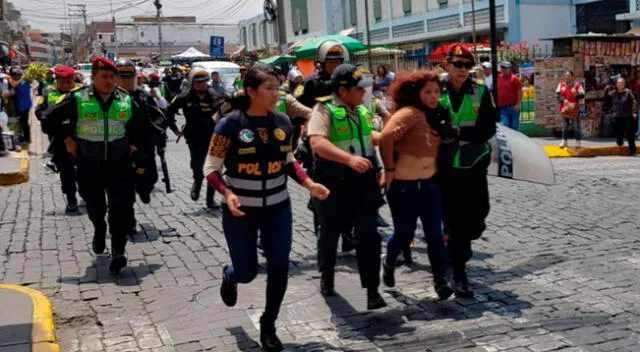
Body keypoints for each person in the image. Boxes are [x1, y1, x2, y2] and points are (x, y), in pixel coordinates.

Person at [204, 64, 329, 352]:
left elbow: (287, 163)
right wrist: (227, 193)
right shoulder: (230, 124)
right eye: (269, 88)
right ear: (251, 91)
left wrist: (309, 184)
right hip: (241, 212)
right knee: (247, 272)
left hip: (277, 208)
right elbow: (211, 168)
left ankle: (269, 323)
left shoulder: (283, 122)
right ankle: (231, 275)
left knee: (280, 267)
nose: (276, 94)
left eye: (278, 87)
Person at [43, 56, 147, 274]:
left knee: (120, 208)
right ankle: (99, 229)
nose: (109, 81)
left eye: (112, 76)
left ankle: (118, 251)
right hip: (89, 164)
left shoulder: (125, 99)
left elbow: (140, 125)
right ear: (93, 78)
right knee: (95, 207)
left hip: (119, 164)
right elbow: (47, 120)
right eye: (104, 77)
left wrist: (134, 146)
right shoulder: (77, 98)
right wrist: (67, 139)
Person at [308, 64, 387, 309]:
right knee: (329, 233)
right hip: (334, 182)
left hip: (364, 182)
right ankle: (327, 275)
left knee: (369, 235)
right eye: (358, 89)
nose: (363, 93)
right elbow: (317, 143)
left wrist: (390, 136)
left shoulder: (362, 109)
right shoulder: (324, 109)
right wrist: (349, 160)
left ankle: (372, 290)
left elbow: (369, 138)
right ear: (342, 90)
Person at [378, 69, 454, 299]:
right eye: (428, 92)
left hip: (430, 185)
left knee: (434, 235)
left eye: (437, 92)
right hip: (403, 187)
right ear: (415, 93)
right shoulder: (409, 113)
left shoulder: (438, 113)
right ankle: (389, 262)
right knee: (403, 234)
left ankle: (441, 281)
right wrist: (389, 168)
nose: (433, 96)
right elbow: (385, 138)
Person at [439, 44, 497, 298]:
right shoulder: (433, 90)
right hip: (445, 166)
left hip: (474, 163)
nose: (463, 70)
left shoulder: (481, 92)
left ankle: (457, 245)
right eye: (457, 65)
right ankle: (459, 274)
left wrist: (459, 132)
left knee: (478, 215)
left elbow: (488, 129)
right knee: (454, 220)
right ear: (446, 65)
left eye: (467, 66)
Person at [166, 67, 220, 209]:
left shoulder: (215, 96)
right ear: (192, 83)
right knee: (197, 165)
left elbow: (224, 114)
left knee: (213, 167)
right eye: (197, 82)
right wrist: (175, 129)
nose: (201, 85)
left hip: (213, 137)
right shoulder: (184, 97)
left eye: (203, 82)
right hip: (194, 137)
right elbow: (168, 112)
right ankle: (197, 182)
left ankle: (210, 199)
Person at [116, 59, 164, 204]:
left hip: (144, 142)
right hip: (121, 143)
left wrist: (159, 134)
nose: (127, 81)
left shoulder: (143, 95)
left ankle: (144, 187)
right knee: (124, 181)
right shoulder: (112, 97)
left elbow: (157, 116)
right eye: (123, 77)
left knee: (149, 174)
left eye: (130, 77)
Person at [35, 65, 80, 213]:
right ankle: (71, 199)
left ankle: (87, 193)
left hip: (82, 138)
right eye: (62, 82)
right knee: (66, 172)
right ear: (57, 81)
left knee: (85, 169)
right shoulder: (49, 95)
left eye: (68, 81)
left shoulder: (82, 93)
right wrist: (54, 117)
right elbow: (39, 112)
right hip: (60, 140)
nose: (66, 85)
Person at [608, 77, 637, 155]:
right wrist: (609, 86)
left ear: (624, 84)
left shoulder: (628, 92)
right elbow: (606, 96)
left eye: (621, 83)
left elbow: (634, 101)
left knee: (630, 135)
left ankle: (632, 150)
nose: (619, 85)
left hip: (627, 116)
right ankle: (620, 144)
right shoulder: (614, 93)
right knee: (618, 133)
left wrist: (634, 112)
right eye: (618, 83)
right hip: (617, 116)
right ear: (616, 84)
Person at [556, 71, 584, 148]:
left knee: (576, 125)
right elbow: (557, 95)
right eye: (566, 76)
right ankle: (564, 141)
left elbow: (582, 95)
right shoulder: (561, 84)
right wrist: (563, 99)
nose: (567, 77)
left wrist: (576, 94)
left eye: (568, 76)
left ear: (572, 77)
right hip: (564, 108)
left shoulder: (577, 85)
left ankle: (578, 141)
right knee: (565, 126)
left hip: (574, 109)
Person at [497, 61, 522, 130]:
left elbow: (519, 91)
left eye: (505, 68)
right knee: (505, 126)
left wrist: (518, 104)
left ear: (510, 69)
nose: (503, 69)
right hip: (502, 108)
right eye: (502, 67)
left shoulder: (514, 79)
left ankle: (515, 141)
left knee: (514, 127)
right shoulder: (498, 78)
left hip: (513, 107)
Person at [10, 68, 32, 144]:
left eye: (16, 75)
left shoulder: (24, 83)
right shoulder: (18, 83)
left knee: (24, 122)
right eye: (14, 75)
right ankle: (23, 137)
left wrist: (17, 87)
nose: (15, 77)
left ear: (19, 76)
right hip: (21, 105)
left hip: (25, 105)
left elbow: (24, 92)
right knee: (21, 122)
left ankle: (27, 138)